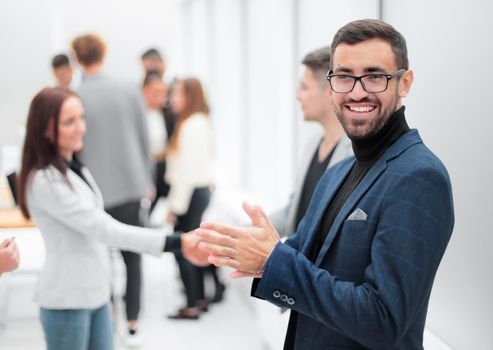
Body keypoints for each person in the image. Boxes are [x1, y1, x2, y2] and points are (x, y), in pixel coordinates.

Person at [197, 19, 454, 349]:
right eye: (345, 77)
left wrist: (271, 260)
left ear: (404, 83)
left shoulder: (419, 176)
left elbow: (382, 319)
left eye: (375, 76)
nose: (357, 91)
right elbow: (300, 254)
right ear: (331, 85)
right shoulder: (339, 171)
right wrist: (236, 247)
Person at [16, 87, 208, 350]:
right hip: (67, 299)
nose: (81, 128)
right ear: (45, 128)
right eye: (68, 122)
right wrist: (176, 242)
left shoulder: (75, 168)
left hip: (97, 294)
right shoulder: (45, 180)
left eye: (81, 118)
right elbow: (103, 228)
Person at [72, 34, 154, 343]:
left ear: (78, 59)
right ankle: (133, 324)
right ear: (103, 53)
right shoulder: (129, 91)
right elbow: (145, 140)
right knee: (133, 258)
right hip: (131, 186)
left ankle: (109, 319)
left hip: (94, 192)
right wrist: (148, 181)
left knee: (100, 259)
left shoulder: (75, 96)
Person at [269, 46, 352, 237]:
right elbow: (294, 214)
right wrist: (238, 232)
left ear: (330, 92)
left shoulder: (355, 155)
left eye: (304, 87)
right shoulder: (312, 144)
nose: (298, 96)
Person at [165, 78, 222, 319]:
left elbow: (186, 171)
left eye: (178, 93)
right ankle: (197, 299)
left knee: (184, 248)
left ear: (191, 96)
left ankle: (192, 304)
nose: (173, 98)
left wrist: (175, 207)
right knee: (194, 245)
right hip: (198, 191)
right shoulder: (197, 122)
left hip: (190, 193)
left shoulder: (192, 125)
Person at [142, 70, 171, 213]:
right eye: (156, 93)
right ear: (145, 90)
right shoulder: (139, 114)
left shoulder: (167, 113)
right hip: (146, 168)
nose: (161, 97)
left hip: (164, 167)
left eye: (163, 93)